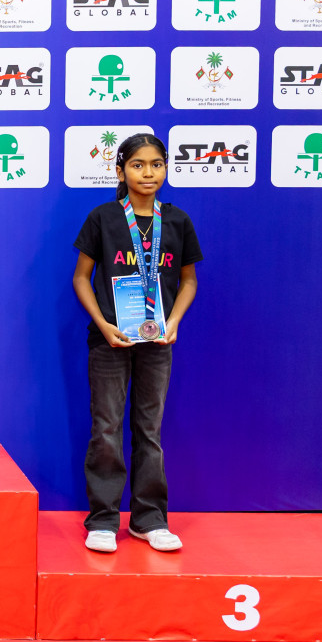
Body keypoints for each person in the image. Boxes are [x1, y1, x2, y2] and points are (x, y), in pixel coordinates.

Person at [71, 134, 201, 552]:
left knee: (149, 431)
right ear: (120, 170)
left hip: (158, 342)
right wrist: (103, 324)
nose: (148, 173)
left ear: (166, 168)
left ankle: (149, 520)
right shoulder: (103, 218)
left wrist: (174, 321)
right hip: (109, 341)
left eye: (157, 164)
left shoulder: (177, 221)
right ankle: (103, 521)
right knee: (106, 428)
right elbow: (81, 278)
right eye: (138, 165)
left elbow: (188, 281)